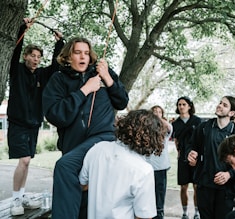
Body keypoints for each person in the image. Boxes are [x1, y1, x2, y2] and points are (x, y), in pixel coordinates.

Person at [42, 37, 129, 219]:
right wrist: (85, 90)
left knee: (64, 167)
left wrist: (107, 79)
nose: (83, 56)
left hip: (102, 138)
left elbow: (122, 101)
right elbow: (56, 115)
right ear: (67, 57)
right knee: (82, 196)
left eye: (87, 53)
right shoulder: (58, 80)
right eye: (77, 52)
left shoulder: (102, 72)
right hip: (73, 145)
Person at [7, 18, 64, 216]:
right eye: (32, 55)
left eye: (39, 57)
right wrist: (23, 28)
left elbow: (55, 67)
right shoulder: (17, 71)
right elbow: (14, 51)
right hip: (18, 123)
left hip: (34, 124)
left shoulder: (40, 74)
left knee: (27, 161)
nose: (36, 59)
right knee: (23, 160)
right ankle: (15, 198)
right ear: (26, 56)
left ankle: (21, 195)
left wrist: (59, 43)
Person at [79, 109, 165, 219]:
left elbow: (83, 185)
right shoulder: (143, 170)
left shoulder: (98, 148)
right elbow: (143, 215)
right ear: (153, 137)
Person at [187, 96, 235, 219]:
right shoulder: (204, 127)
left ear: (232, 113)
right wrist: (191, 154)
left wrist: (229, 174)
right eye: (220, 103)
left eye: (225, 105)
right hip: (205, 185)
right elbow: (192, 146)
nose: (220, 105)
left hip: (227, 189)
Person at [172, 96, 202, 219]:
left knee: (196, 186)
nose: (181, 106)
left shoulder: (197, 121)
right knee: (183, 186)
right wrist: (178, 151)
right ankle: (184, 213)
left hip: (195, 158)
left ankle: (197, 212)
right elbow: (176, 140)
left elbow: (201, 139)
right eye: (179, 104)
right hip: (183, 158)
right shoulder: (175, 123)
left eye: (184, 104)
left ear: (189, 106)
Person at [146, 105, 173, 219]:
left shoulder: (166, 128)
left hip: (160, 167)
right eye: (154, 111)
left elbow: (168, 126)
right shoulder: (146, 129)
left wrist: (157, 117)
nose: (157, 113)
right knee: (147, 193)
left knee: (159, 194)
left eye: (159, 112)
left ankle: (159, 213)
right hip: (147, 167)